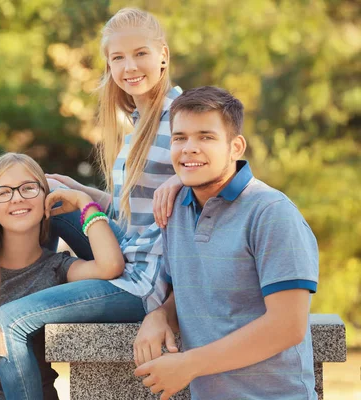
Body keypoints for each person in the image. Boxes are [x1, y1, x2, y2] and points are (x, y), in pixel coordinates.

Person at [0, 8, 184, 400]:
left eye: (140, 53)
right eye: (118, 58)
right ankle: (8, 283)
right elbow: (134, 213)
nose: (130, 66)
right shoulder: (137, 122)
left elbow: (218, 167)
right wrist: (82, 191)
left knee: (7, 323)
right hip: (130, 251)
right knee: (49, 194)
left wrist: (181, 178)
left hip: (146, 282)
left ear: (163, 54)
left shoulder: (182, 116)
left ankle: (19, 304)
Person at [134, 86, 319, 400]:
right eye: (180, 138)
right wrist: (160, 316)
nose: (189, 148)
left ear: (236, 147)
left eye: (206, 136)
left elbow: (288, 326)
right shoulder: (174, 209)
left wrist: (189, 364)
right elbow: (187, 289)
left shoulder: (271, 212)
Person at [0, 153, 126, 400]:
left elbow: (110, 264)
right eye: (3, 192)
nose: (17, 198)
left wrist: (83, 201)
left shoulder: (57, 268)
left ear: (47, 197)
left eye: (29, 188)